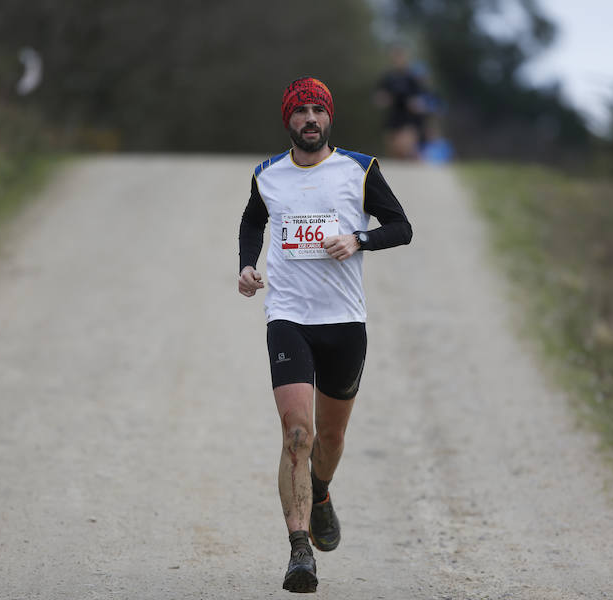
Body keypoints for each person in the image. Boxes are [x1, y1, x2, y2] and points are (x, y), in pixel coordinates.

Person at [237, 77, 412, 593]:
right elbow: (252, 222)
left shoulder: (359, 169)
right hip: (288, 318)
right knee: (297, 434)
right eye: (300, 111)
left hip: (345, 323)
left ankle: (321, 491)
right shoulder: (267, 175)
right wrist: (247, 265)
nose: (310, 118)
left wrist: (358, 239)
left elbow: (401, 226)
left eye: (318, 110)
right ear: (287, 120)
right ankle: (299, 553)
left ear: (329, 117)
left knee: (330, 439)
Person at [375, 46, 428, 159]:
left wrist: (415, 104)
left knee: (406, 148)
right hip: (393, 117)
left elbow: (421, 100)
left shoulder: (412, 78)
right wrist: (384, 100)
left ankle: (415, 158)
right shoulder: (388, 78)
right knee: (395, 152)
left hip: (408, 118)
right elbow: (379, 98)